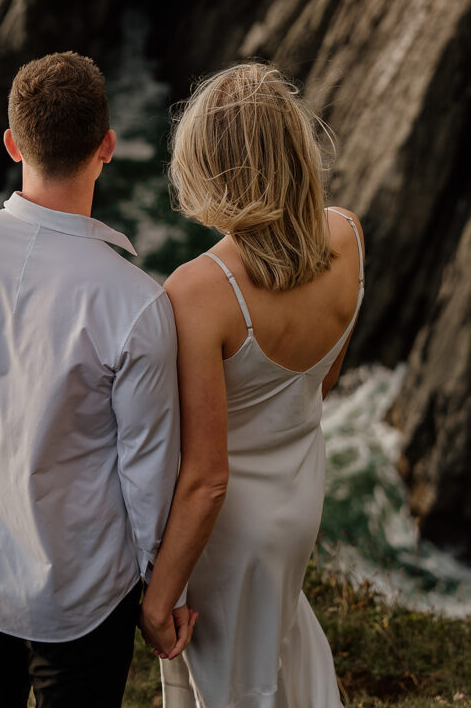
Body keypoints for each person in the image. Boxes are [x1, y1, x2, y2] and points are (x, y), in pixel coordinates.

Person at [0, 51, 199, 708]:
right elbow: (146, 475)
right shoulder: (135, 302)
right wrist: (159, 595)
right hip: (80, 591)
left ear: (11, 143)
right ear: (107, 148)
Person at [140, 62, 365, 707]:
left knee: (231, 684)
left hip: (230, 533)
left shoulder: (199, 291)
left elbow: (207, 477)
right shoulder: (346, 236)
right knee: (275, 649)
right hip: (299, 497)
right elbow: (319, 385)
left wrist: (160, 600)